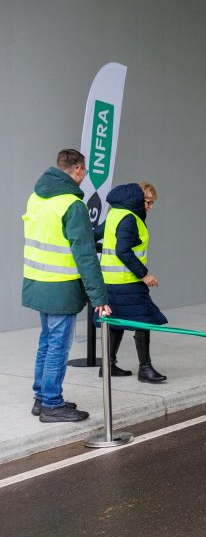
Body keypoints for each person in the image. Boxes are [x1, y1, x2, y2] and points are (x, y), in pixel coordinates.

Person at [23, 149, 111, 422]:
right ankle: (52, 404)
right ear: (79, 170)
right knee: (58, 346)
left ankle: (42, 397)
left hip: (38, 282)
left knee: (47, 342)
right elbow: (85, 256)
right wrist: (99, 298)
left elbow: (53, 237)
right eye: (84, 173)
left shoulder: (37, 197)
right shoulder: (73, 205)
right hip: (61, 287)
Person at [98, 182, 169, 382]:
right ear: (138, 200)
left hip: (109, 281)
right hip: (127, 281)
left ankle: (108, 365)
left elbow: (98, 235)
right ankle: (145, 369)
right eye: (148, 202)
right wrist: (144, 274)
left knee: (116, 322)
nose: (150, 207)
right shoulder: (130, 218)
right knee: (143, 320)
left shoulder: (115, 213)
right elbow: (122, 251)